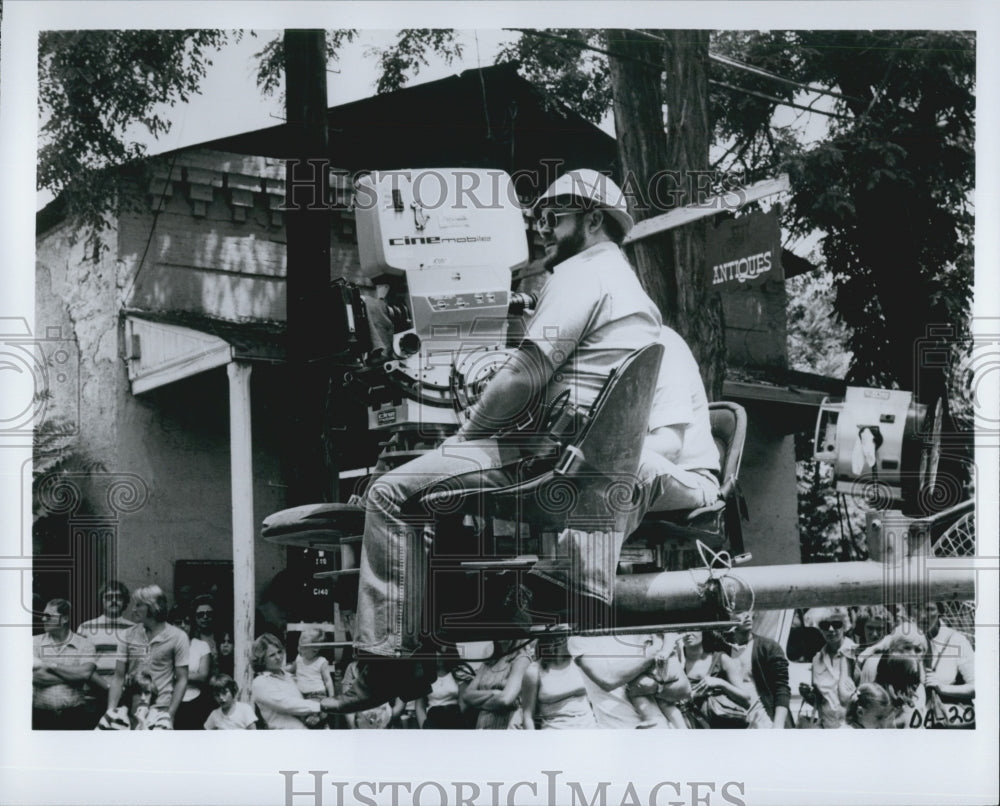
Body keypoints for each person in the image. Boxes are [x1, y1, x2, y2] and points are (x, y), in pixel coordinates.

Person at [328, 169, 662, 713]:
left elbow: (523, 377)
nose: (542, 231)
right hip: (588, 467)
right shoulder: (632, 291)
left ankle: (386, 661)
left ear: (594, 220)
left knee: (391, 494)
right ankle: (420, 646)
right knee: (430, 498)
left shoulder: (581, 276)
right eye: (537, 221)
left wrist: (465, 435)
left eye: (554, 219)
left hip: (544, 458)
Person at [630, 326, 721, 527]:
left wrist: (597, 449)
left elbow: (669, 446)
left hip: (689, 477)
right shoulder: (596, 350)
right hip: (633, 471)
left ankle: (582, 558)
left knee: (624, 469)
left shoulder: (661, 343)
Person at [108, 585, 189, 729]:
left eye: (139, 605)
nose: (133, 609)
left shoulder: (178, 637)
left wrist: (170, 714)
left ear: (154, 606)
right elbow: (118, 676)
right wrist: (111, 712)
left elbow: (182, 678)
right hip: (131, 709)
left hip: (161, 709)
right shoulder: (126, 635)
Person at [570, 632, 689, 729]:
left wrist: (656, 687)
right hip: (618, 731)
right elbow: (608, 680)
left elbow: (685, 690)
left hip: (664, 732)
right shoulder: (581, 637)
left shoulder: (643, 622)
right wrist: (654, 652)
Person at [717, 607, 790, 729]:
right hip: (735, 721)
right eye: (739, 611)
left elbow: (781, 689)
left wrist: (778, 725)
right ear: (727, 616)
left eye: (749, 611)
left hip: (766, 722)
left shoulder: (768, 647)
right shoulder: (720, 650)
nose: (747, 616)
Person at [32, 598, 97, 729]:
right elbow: (35, 677)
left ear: (65, 619)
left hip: (75, 715)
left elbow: (85, 673)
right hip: (42, 716)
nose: (43, 619)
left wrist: (50, 665)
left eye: (48, 616)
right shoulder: (34, 642)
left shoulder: (85, 644)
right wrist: (74, 676)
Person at [250, 633, 331, 729]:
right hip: (285, 737)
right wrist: (322, 706)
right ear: (262, 659)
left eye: (279, 652)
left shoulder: (289, 676)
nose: (278, 657)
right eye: (272, 655)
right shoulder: (260, 682)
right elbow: (287, 704)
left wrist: (319, 715)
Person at [76, 581, 134, 708]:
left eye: (118, 597)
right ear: (101, 600)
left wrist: (119, 688)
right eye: (108, 597)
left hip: (124, 696)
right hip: (92, 696)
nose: (113, 601)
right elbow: (81, 664)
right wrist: (108, 687)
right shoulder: (86, 627)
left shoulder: (135, 629)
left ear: (125, 601)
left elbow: (136, 665)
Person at [520, 634, 597, 729]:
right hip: (554, 735)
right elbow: (528, 716)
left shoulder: (580, 662)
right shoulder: (534, 671)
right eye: (564, 637)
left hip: (588, 730)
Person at [918, 601, 975, 727]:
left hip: (950, 719)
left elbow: (977, 687)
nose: (922, 615)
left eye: (929, 609)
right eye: (917, 608)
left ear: (940, 612)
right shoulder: (911, 640)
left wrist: (943, 688)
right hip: (920, 720)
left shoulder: (957, 641)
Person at [803, 606, 857, 729]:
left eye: (836, 624)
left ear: (845, 625)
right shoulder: (816, 659)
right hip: (827, 727)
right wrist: (809, 696)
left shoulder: (856, 654)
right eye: (825, 625)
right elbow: (821, 701)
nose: (831, 629)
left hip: (852, 727)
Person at [461, 639, 533, 729]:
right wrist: (494, 693)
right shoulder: (488, 662)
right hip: (483, 726)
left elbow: (505, 700)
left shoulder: (521, 660)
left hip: (507, 727)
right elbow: (467, 695)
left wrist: (477, 702)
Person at [174, 600, 215, 730]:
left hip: (196, 701)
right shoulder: (165, 646)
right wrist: (191, 675)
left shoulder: (201, 646)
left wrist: (177, 674)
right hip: (171, 700)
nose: (183, 626)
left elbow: (203, 676)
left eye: (187, 622)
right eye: (178, 622)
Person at [416, 650, 475, 729]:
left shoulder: (459, 673)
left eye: (441, 653)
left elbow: (464, 703)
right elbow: (419, 707)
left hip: (455, 719)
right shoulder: (424, 676)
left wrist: (453, 722)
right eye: (435, 654)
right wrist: (424, 726)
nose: (438, 656)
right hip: (432, 720)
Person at [289, 626, 335, 700]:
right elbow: (290, 670)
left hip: (316, 694)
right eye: (299, 646)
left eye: (304, 647)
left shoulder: (321, 661)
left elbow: (328, 681)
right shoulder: (299, 658)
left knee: (313, 708)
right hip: (299, 694)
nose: (300, 649)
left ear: (315, 649)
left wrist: (331, 697)